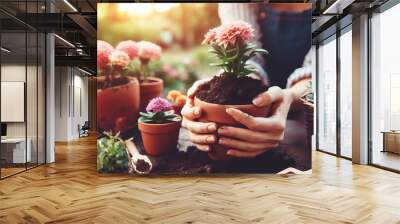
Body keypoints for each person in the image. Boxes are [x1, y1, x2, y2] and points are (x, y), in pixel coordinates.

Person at [182, 3, 313, 158]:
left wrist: (289, 96)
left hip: (311, 120)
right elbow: (248, 58)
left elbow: (324, 68)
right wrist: (228, 85)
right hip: (261, 112)